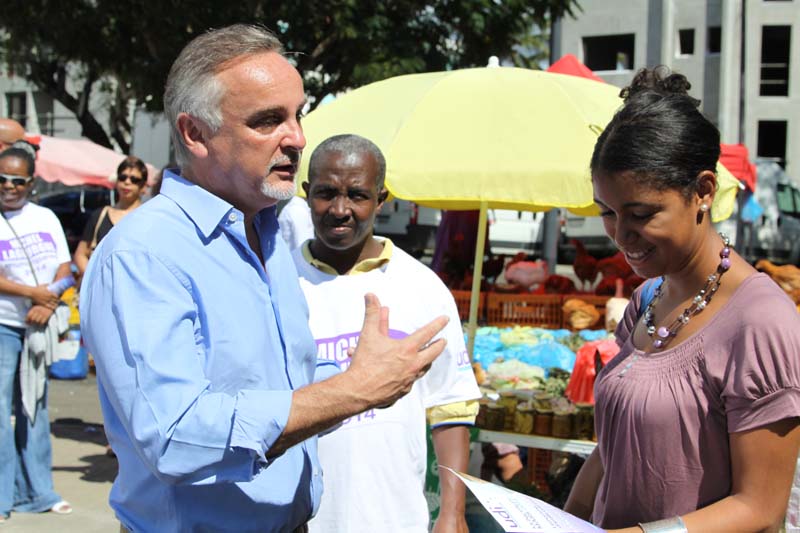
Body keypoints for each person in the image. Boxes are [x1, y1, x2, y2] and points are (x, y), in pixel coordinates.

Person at [79, 24, 449, 533]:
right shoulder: (143, 254)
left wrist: (359, 377)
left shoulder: (271, 234)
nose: (297, 138)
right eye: (268, 120)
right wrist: (352, 391)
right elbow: (175, 437)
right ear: (195, 134)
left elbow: (275, 387)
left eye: (298, 115)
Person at [564, 66, 800, 532]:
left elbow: (760, 508)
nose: (620, 235)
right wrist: (566, 519)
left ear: (703, 191)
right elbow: (613, 449)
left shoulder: (760, 321)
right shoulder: (647, 299)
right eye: (607, 213)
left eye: (641, 214)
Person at [293, 134, 481, 533]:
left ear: (381, 200)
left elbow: (451, 405)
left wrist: (453, 511)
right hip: (297, 519)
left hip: (394, 518)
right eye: (326, 193)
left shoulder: (422, 286)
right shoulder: (277, 281)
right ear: (307, 193)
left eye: (357, 195)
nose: (340, 210)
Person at [0, 142, 73, 523]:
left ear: (31, 183)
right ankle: (2, 498)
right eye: (2, 179)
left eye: (17, 180)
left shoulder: (45, 217)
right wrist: (32, 294)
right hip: (4, 325)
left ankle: (38, 492)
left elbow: (66, 269)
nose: (8, 186)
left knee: (34, 407)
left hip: (38, 325)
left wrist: (48, 302)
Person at [73, 156, 148, 278]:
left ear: (143, 187)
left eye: (134, 179)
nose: (127, 182)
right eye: (122, 177)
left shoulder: (148, 218)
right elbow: (81, 254)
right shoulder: (100, 215)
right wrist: (93, 279)